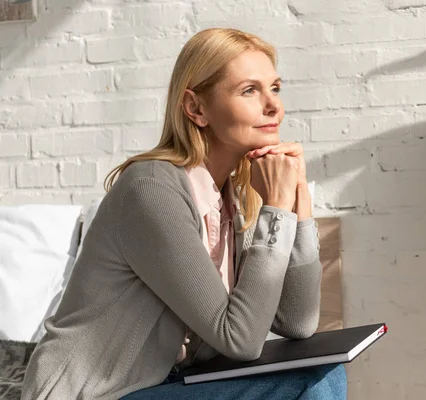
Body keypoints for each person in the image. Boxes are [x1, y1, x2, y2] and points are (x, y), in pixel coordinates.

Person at [20, 28, 348, 399]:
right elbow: (239, 340)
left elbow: (298, 322)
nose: (273, 106)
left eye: (275, 87)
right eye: (249, 90)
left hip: (167, 384)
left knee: (323, 372)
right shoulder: (152, 189)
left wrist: (297, 199)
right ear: (196, 108)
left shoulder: (229, 197)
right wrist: (275, 208)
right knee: (313, 382)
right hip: (95, 394)